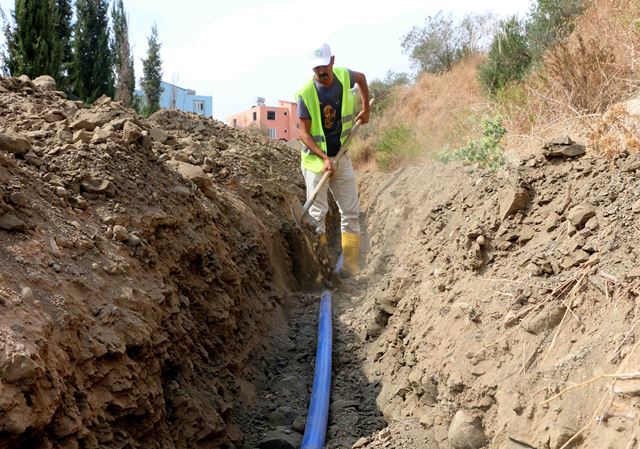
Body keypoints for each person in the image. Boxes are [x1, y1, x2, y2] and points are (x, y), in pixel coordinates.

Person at [296, 43, 370, 276]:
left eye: (324, 65)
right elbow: (304, 134)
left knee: (350, 211)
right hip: (315, 163)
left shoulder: (343, 76)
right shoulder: (306, 94)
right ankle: (324, 271)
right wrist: (323, 158)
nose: (320, 71)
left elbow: (361, 78)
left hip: (342, 155)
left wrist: (366, 107)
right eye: (316, 67)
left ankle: (349, 266)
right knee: (317, 216)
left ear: (332, 61)